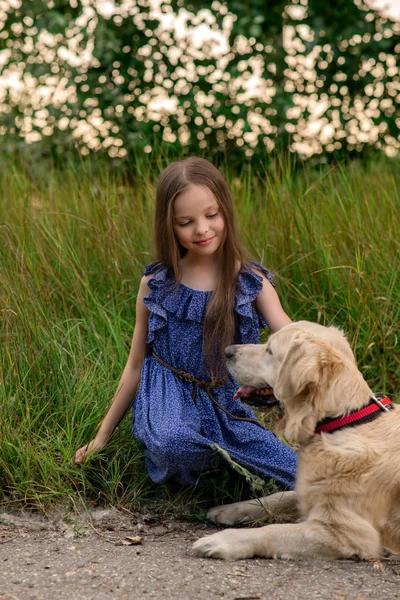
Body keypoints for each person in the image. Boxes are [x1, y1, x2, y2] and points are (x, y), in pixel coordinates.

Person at [75, 157, 297, 489]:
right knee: (174, 443)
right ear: (169, 226)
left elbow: (294, 338)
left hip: (225, 403)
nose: (203, 229)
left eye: (212, 215)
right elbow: (135, 365)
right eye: (186, 222)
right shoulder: (157, 283)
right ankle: (218, 476)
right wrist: (102, 437)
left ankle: (234, 474)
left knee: (297, 472)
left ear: (226, 211)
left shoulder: (249, 282)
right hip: (168, 395)